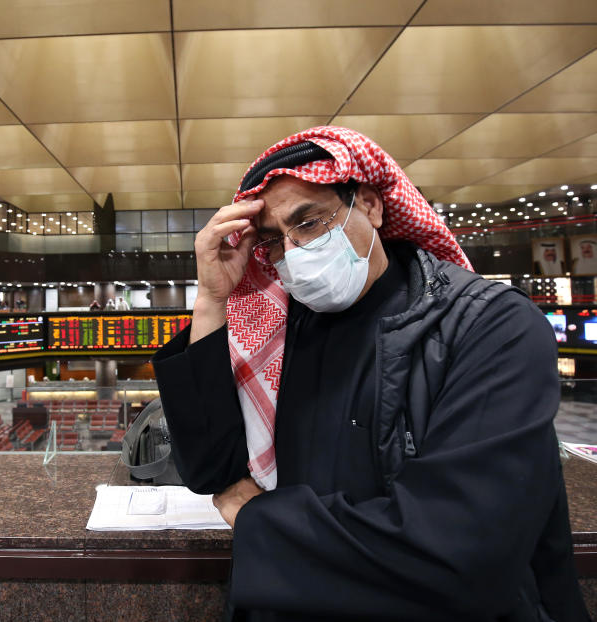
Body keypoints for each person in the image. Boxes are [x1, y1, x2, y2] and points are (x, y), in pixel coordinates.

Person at [151, 126, 588, 620]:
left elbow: (459, 550)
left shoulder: (488, 326)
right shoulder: (283, 324)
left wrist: (260, 521)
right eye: (274, 242)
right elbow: (213, 469)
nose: (294, 255)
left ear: (372, 206)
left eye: (311, 223)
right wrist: (212, 300)